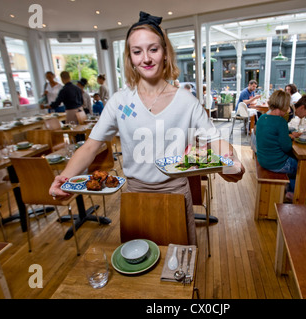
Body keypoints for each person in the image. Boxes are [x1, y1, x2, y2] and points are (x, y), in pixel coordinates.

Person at [48, 11, 244, 246]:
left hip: (175, 195)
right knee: (135, 263)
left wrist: (231, 160)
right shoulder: (120, 101)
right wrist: (65, 178)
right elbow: (92, 145)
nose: (146, 58)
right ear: (130, 57)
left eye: (153, 49)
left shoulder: (186, 101)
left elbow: (214, 140)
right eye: (137, 51)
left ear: (165, 53)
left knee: (178, 264)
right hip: (135, 196)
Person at [256, 90, 296, 200]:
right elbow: (286, 147)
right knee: (302, 168)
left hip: (263, 160)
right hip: (276, 164)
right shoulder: (280, 121)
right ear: (284, 105)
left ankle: (288, 188)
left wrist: (287, 135)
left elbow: (271, 134)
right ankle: (292, 193)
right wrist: (290, 138)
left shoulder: (262, 118)